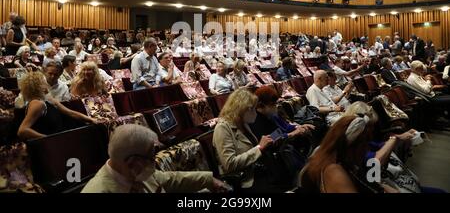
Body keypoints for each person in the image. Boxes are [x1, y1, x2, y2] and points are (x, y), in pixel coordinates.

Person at [82, 124, 229, 193]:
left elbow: (171, 179)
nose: (154, 162)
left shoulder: (135, 173)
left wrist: (210, 180)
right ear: (133, 162)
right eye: (151, 158)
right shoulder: (97, 190)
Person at [213, 88, 293, 192]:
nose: (255, 113)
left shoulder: (244, 123)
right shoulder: (222, 128)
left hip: (261, 169)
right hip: (246, 180)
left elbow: (254, 148)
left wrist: (267, 144)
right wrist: (259, 147)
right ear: (241, 109)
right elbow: (229, 164)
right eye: (253, 109)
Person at [301, 115, 396, 193]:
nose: (366, 148)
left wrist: (381, 187)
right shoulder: (334, 171)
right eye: (364, 144)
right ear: (352, 145)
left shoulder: (340, 160)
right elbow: (375, 162)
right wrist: (393, 139)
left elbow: (367, 181)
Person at [17, 71, 95, 140]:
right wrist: (48, 139)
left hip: (60, 137)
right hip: (49, 145)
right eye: (44, 82)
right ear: (39, 86)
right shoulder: (37, 104)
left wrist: (91, 120)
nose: (47, 84)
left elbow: (70, 113)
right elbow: (22, 130)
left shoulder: (48, 99)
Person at [250, 86, 315, 141]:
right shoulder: (255, 120)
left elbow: (285, 126)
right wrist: (294, 133)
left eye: (275, 104)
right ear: (261, 105)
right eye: (272, 104)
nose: (275, 107)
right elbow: (272, 139)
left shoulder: (271, 114)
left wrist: (298, 127)